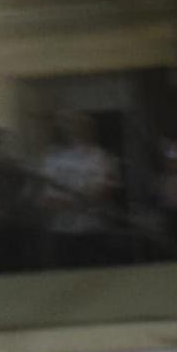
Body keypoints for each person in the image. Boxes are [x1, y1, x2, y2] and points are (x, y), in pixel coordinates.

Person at [39, 111, 119, 269]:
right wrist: (79, 201)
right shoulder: (53, 159)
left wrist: (79, 200)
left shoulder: (102, 158)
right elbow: (45, 198)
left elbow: (102, 193)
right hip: (62, 232)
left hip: (93, 230)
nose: (75, 130)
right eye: (71, 126)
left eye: (81, 127)